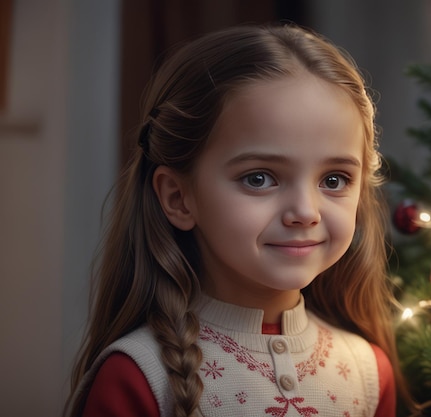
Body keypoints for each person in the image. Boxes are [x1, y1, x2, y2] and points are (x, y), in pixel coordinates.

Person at [65, 23, 406, 417]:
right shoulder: (137, 375)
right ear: (179, 198)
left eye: (334, 180)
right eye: (259, 178)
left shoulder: (368, 374)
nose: (305, 212)